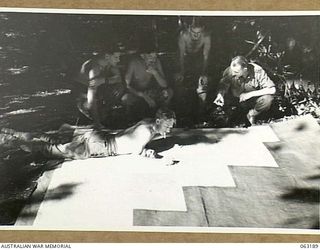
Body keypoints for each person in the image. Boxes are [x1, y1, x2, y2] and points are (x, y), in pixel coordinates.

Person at [0, 108, 176, 160]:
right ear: (159, 121)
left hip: (97, 136)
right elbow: (136, 149)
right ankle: (12, 144)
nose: (169, 130)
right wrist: (150, 153)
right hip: (99, 145)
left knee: (54, 139)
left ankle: (16, 133)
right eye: (167, 126)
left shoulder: (148, 121)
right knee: (49, 150)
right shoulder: (147, 132)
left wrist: (161, 135)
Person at [213, 56, 276, 125]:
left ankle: (252, 114)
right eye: (232, 70)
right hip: (236, 101)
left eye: (236, 72)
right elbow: (223, 85)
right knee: (225, 110)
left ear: (245, 69)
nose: (233, 73)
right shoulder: (230, 70)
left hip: (253, 101)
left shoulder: (257, 70)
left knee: (268, 99)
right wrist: (220, 95)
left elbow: (272, 90)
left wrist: (250, 94)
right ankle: (230, 116)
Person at [121, 42, 173, 121]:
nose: (153, 59)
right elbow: (127, 85)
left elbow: (164, 85)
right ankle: (129, 120)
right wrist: (143, 96)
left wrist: (155, 73)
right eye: (150, 56)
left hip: (150, 92)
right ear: (142, 56)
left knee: (169, 92)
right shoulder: (134, 63)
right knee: (125, 99)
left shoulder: (156, 62)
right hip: (136, 93)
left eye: (154, 56)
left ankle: (165, 117)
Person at [174, 17, 211, 123]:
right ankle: (180, 113)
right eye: (194, 32)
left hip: (198, 58)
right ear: (189, 29)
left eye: (199, 33)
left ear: (203, 30)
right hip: (185, 58)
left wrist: (203, 73)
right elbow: (181, 55)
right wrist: (182, 71)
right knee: (178, 79)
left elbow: (206, 56)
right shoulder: (183, 35)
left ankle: (201, 113)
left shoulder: (206, 36)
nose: (196, 35)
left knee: (204, 81)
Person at [78, 48, 123, 128]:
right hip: (83, 95)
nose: (119, 60)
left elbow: (119, 79)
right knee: (99, 119)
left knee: (119, 87)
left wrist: (104, 80)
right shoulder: (95, 69)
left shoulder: (109, 64)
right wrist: (97, 122)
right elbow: (91, 96)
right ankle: (95, 119)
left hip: (99, 93)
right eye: (116, 57)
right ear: (107, 56)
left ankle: (104, 111)